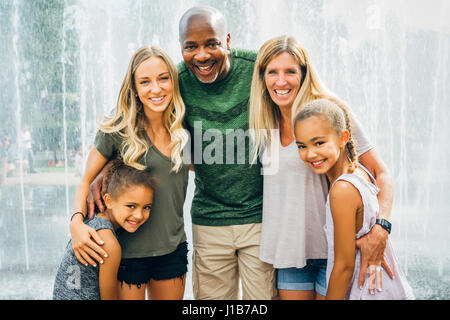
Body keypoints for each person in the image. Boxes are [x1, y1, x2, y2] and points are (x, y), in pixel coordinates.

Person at [248, 36, 394, 300]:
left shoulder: (329, 112)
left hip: (337, 254)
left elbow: (381, 173)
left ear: (304, 74)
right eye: (272, 72)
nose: (281, 81)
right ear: (262, 77)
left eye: (290, 71)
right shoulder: (263, 119)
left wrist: (381, 228)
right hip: (291, 255)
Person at [69, 46, 190, 300]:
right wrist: (76, 224)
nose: (155, 89)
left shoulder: (185, 126)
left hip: (172, 249)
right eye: (145, 82)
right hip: (125, 255)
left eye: (163, 78)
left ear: (173, 81)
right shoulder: (117, 128)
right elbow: (85, 180)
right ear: (134, 88)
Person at [176, 6, 277, 300]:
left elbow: (308, 98)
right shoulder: (177, 79)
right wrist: (101, 173)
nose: (202, 56)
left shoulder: (257, 68)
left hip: (259, 216)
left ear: (228, 40)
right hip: (209, 219)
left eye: (212, 43)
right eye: (191, 47)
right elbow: (135, 118)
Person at [293, 98, 414, 300]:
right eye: (301, 146)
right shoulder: (362, 172)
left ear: (343, 138)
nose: (310, 153)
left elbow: (344, 267)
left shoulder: (342, 190)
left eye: (319, 142)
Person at [53, 160, 156, 300]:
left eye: (146, 207)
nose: (138, 215)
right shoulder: (109, 244)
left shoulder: (90, 218)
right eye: (131, 206)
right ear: (108, 201)